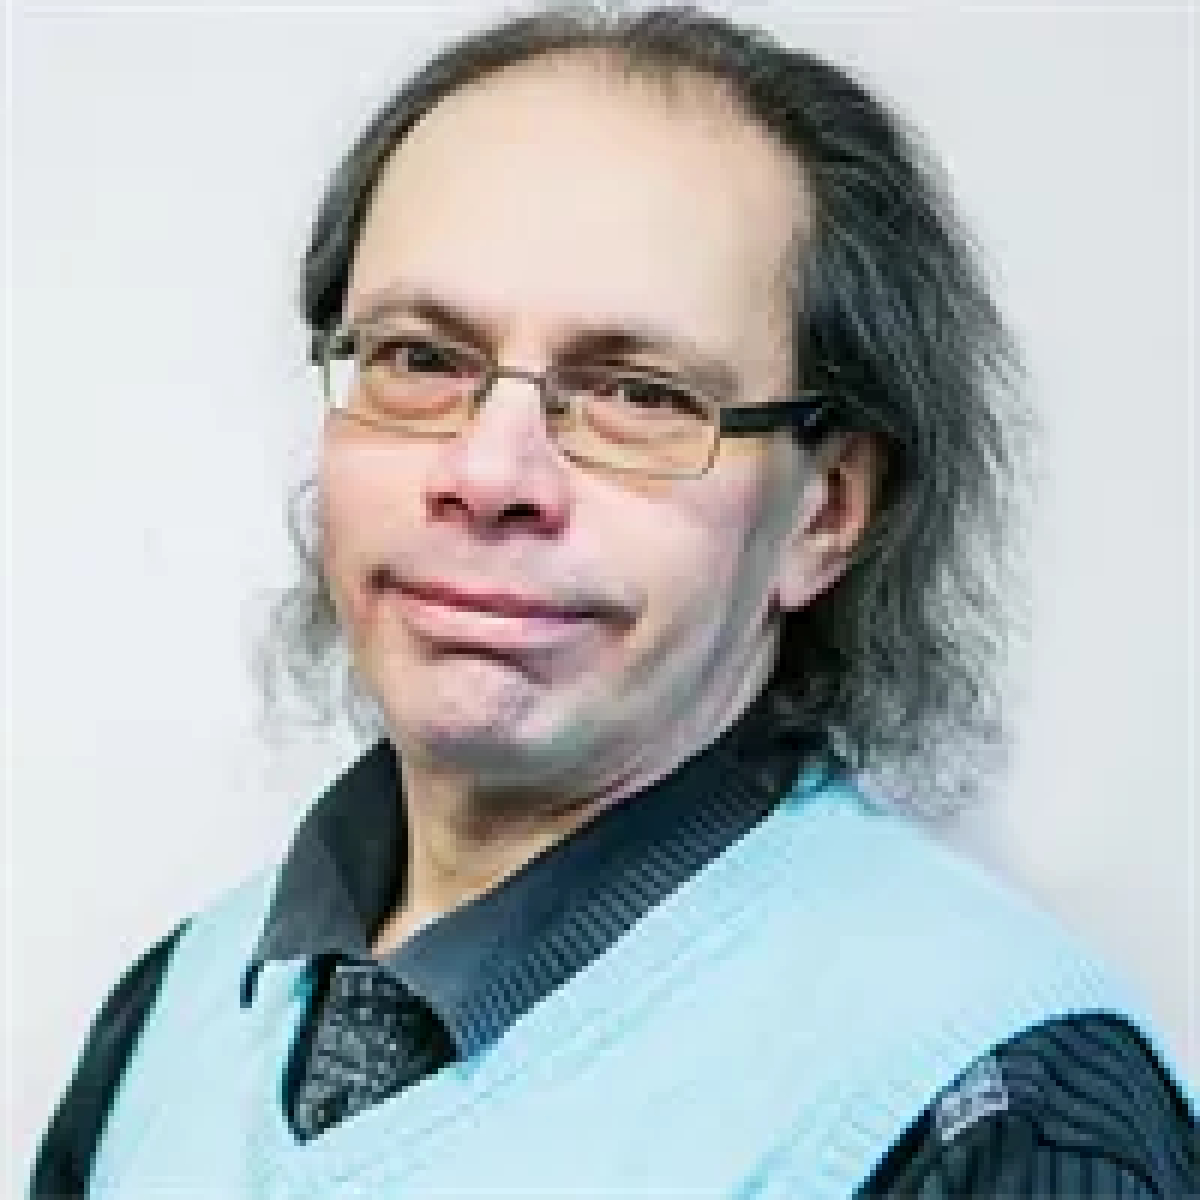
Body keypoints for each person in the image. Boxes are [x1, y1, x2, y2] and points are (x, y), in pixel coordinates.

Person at [30, 5, 1197, 1197]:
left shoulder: (992, 1111)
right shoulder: (178, 1013)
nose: (489, 474)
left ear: (825, 513)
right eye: (420, 359)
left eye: (639, 394)